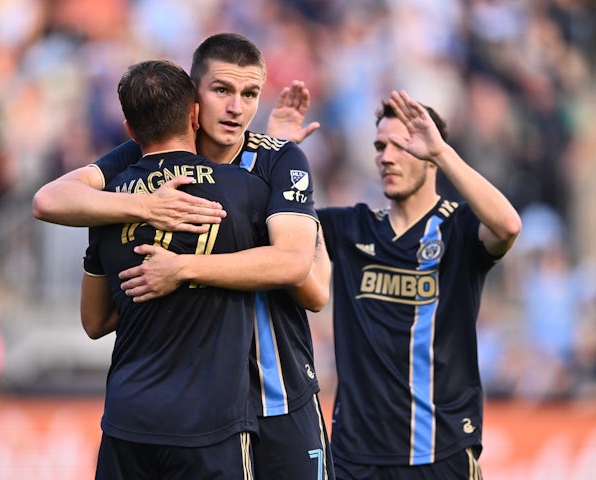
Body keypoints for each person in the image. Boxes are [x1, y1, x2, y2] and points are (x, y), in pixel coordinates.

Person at [33, 33, 334, 480]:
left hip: (278, 392)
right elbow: (48, 199)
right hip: (201, 411)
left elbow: (309, 288)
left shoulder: (277, 161)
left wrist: (184, 269)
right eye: (222, 91)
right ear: (194, 99)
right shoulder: (141, 157)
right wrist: (146, 206)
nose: (237, 108)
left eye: (250, 94)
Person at [317, 90, 522, 479]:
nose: (386, 157)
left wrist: (443, 152)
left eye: (401, 146)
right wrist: (279, 148)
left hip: (438, 450)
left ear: (429, 153)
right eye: (379, 146)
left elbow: (508, 226)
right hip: (354, 455)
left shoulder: (458, 228)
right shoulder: (349, 227)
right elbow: (271, 228)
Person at [80, 59, 269, 479]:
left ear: (129, 130)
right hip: (211, 423)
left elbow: (94, 321)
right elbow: (292, 270)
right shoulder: (244, 190)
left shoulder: (105, 202)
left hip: (129, 421)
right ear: (195, 115)